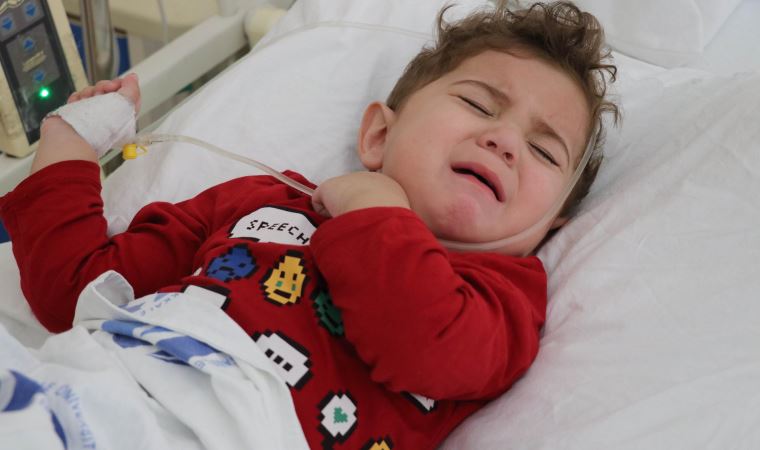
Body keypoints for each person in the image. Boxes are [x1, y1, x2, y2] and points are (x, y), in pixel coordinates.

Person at [0, 1, 619, 448]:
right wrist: (68, 145)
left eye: (544, 152)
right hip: (89, 389)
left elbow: (420, 344)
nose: (504, 140)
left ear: (551, 224)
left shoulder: (502, 298)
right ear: (378, 135)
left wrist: (377, 210)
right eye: (479, 104)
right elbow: (77, 293)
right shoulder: (264, 202)